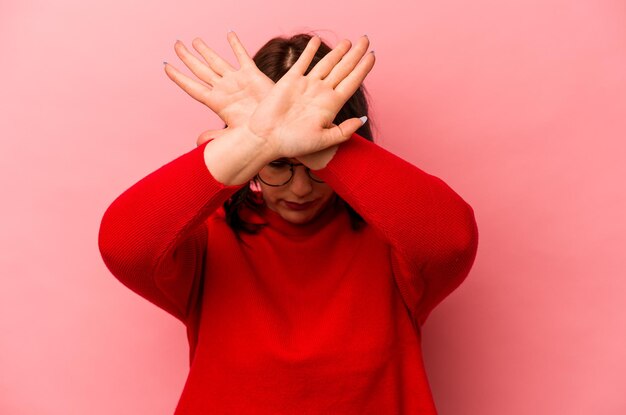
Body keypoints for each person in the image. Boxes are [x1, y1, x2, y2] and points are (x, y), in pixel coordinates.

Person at [98, 31, 479, 414]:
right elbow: (124, 244)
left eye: (313, 165)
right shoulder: (207, 240)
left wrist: (325, 147)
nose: (299, 189)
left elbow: (452, 240)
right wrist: (253, 140)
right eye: (279, 163)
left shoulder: (396, 243)